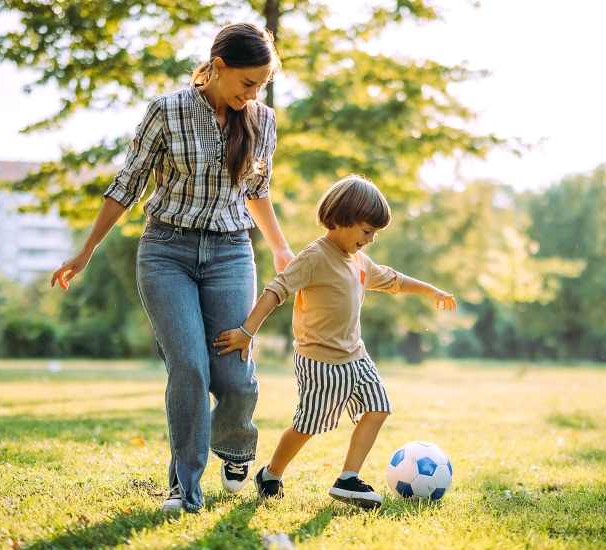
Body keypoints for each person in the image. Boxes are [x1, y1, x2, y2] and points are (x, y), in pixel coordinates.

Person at [50, 22, 294, 514]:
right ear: (217, 68)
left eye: (262, 85)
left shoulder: (261, 120)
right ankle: (185, 489)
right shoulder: (167, 110)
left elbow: (257, 192)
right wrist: (87, 250)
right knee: (188, 367)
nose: (254, 94)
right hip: (167, 252)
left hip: (230, 252)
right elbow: (128, 184)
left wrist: (282, 251)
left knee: (235, 376)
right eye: (247, 83)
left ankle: (235, 446)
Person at [213, 174, 457, 509]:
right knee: (307, 425)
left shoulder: (358, 260)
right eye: (367, 231)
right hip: (319, 361)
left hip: (356, 356)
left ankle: (347, 478)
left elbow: (393, 280)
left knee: (378, 408)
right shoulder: (315, 257)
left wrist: (431, 290)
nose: (370, 240)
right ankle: (270, 473)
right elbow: (276, 291)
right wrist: (247, 332)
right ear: (342, 219)